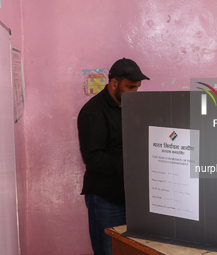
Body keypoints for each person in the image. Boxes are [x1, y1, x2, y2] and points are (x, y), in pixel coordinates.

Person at [77, 58, 149, 255]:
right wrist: (133, 167)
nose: (135, 92)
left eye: (137, 88)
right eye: (130, 87)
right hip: (106, 198)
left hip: (131, 197)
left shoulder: (129, 106)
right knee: (108, 251)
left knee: (132, 250)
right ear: (114, 82)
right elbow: (93, 157)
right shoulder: (94, 112)